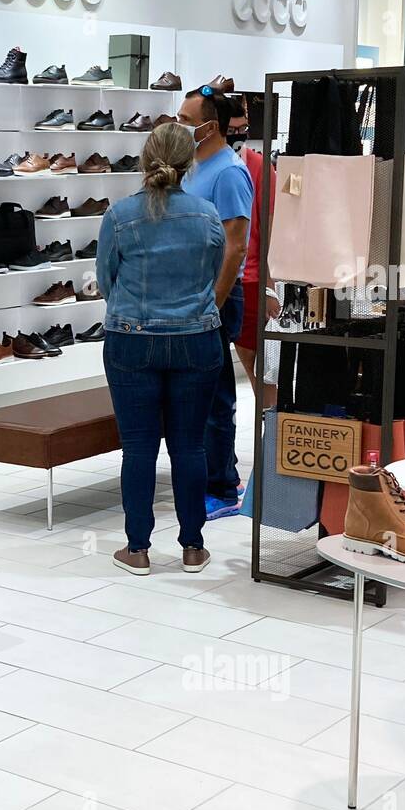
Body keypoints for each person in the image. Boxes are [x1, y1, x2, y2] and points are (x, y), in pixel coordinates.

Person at [96, 123, 226, 576]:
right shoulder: (207, 214)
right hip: (196, 339)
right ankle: (192, 547)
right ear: (191, 161)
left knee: (138, 449)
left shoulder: (119, 216)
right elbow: (212, 272)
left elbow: (106, 281)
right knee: (190, 446)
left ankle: (138, 549)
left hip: (131, 340)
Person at [177, 85, 254, 521]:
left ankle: (223, 486)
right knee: (197, 393)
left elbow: (235, 245)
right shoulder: (193, 167)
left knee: (215, 394)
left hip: (218, 295)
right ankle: (214, 476)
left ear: (211, 127)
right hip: (193, 293)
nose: (179, 126)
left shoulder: (228, 172)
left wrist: (215, 300)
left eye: (186, 121)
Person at [225, 100, 279, 408]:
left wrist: (270, 284)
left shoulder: (258, 166)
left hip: (249, 278)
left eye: (242, 129)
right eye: (231, 130)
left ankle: (270, 435)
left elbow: (269, 228)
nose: (237, 135)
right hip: (216, 277)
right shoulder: (201, 165)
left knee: (259, 367)